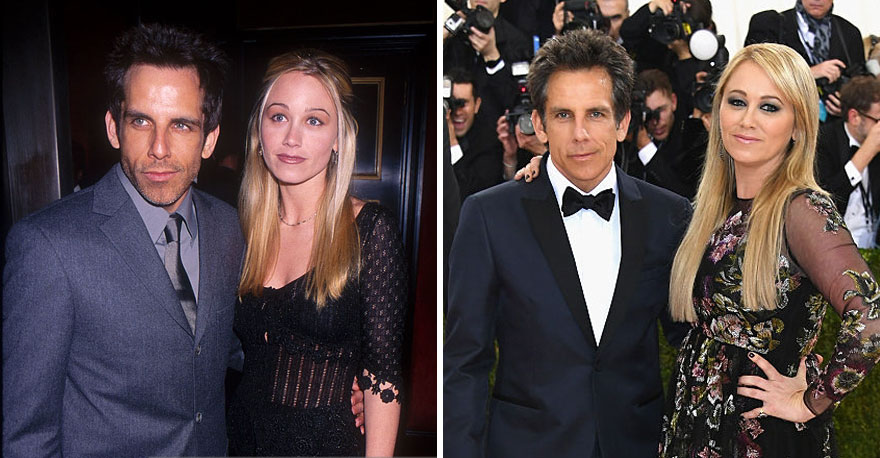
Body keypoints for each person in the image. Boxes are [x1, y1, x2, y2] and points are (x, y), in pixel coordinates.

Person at [2, 24, 364, 457]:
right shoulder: (47, 246)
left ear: (209, 139)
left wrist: (334, 377)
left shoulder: (231, 228)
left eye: (182, 125)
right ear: (114, 128)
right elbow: (27, 435)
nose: (159, 148)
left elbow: (236, 346)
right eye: (141, 121)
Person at [445, 29, 691, 457]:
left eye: (595, 113)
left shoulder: (668, 215)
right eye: (563, 115)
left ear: (622, 122)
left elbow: (691, 338)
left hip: (635, 445)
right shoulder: (488, 216)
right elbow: (465, 363)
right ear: (539, 124)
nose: (580, 133)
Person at [660, 43, 880, 458]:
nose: (747, 119)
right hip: (699, 423)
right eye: (737, 101)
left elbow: (871, 317)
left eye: (769, 107)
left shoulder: (802, 210)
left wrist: (811, 401)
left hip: (761, 433)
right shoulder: (718, 207)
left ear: (798, 125)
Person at [226, 49, 406, 456]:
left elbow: (383, 378)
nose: (292, 138)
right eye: (278, 117)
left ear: (338, 139)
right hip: (241, 442)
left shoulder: (369, 231)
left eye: (314, 120)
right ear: (259, 132)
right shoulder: (239, 230)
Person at [745, 0, 865, 120]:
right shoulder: (771, 25)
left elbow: (862, 84)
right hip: (782, 120)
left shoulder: (849, 32)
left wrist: (847, 104)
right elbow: (754, 75)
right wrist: (809, 73)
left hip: (834, 124)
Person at [816, 76, 880, 248]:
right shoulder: (824, 140)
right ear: (854, 117)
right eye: (878, 120)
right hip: (835, 245)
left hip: (872, 245)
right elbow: (825, 202)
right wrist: (867, 150)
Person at [627, 68, 697, 198]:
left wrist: (645, 147)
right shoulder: (631, 137)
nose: (656, 121)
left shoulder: (690, 137)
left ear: (673, 102)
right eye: (649, 113)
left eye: (661, 110)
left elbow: (683, 196)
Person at [446, 67, 504, 200]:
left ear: (477, 105)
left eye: (463, 104)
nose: (457, 112)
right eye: (452, 104)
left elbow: (475, 196)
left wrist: (452, 144)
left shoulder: (489, 142)